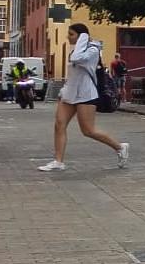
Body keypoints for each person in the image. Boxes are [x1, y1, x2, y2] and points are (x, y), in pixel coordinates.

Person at [37, 24, 129, 172]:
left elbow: (78, 58)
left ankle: (120, 147)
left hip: (86, 93)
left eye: (71, 34)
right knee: (59, 125)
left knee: (88, 130)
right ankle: (58, 161)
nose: (68, 37)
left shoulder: (92, 50)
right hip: (69, 92)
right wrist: (63, 90)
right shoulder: (76, 50)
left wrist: (84, 39)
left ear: (82, 37)